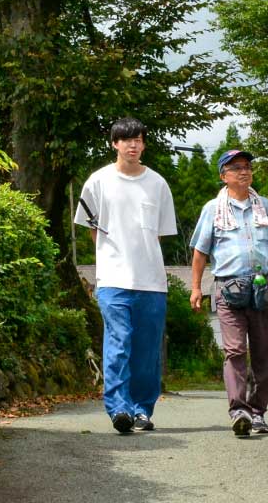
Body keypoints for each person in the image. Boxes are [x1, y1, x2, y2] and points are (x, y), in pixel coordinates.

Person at [189, 149, 268, 437]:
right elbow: (200, 252)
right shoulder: (212, 209)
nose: (244, 171)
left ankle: (257, 412)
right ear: (223, 175)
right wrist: (195, 288)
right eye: (236, 167)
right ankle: (239, 410)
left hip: (264, 286)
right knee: (235, 350)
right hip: (229, 288)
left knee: (264, 354)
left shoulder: (264, 206)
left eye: (248, 167)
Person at [75, 117, 177, 435]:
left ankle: (142, 410)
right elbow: (93, 231)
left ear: (144, 144)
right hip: (112, 280)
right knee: (118, 342)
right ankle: (118, 408)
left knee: (146, 351)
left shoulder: (158, 184)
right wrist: (111, 259)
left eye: (138, 139)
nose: (133, 144)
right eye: (126, 139)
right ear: (114, 144)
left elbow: (158, 235)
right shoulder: (97, 182)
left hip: (151, 280)